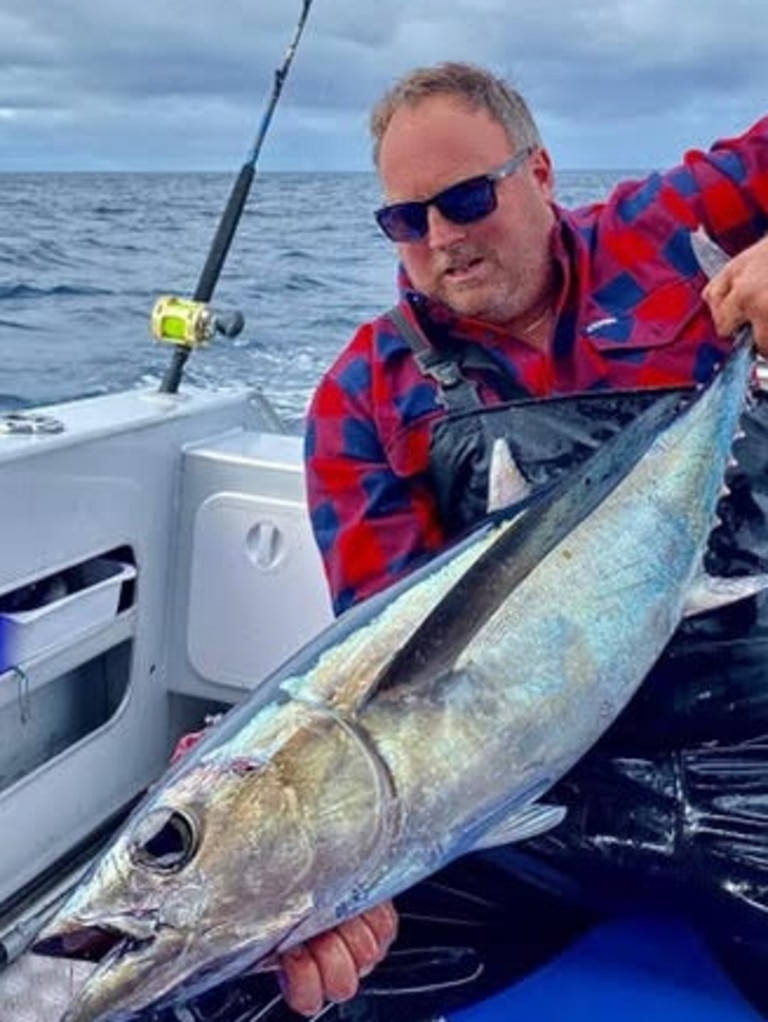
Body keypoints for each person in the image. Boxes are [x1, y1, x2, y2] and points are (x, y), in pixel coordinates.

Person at [282, 61, 768, 1019]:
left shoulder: (667, 232)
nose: (442, 240)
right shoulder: (366, 394)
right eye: (406, 220)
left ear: (539, 173)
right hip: (528, 797)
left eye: (466, 198)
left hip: (754, 746)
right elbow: (408, 678)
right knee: (281, 989)